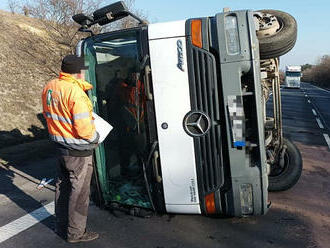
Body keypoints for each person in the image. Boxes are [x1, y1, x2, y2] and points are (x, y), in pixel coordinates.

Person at [42, 55, 100, 243]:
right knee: (80, 192)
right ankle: (75, 233)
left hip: (60, 147)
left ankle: (61, 226)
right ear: (78, 72)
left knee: (63, 187)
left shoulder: (50, 86)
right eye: (82, 70)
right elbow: (84, 130)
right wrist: (96, 137)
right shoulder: (75, 93)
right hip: (78, 151)